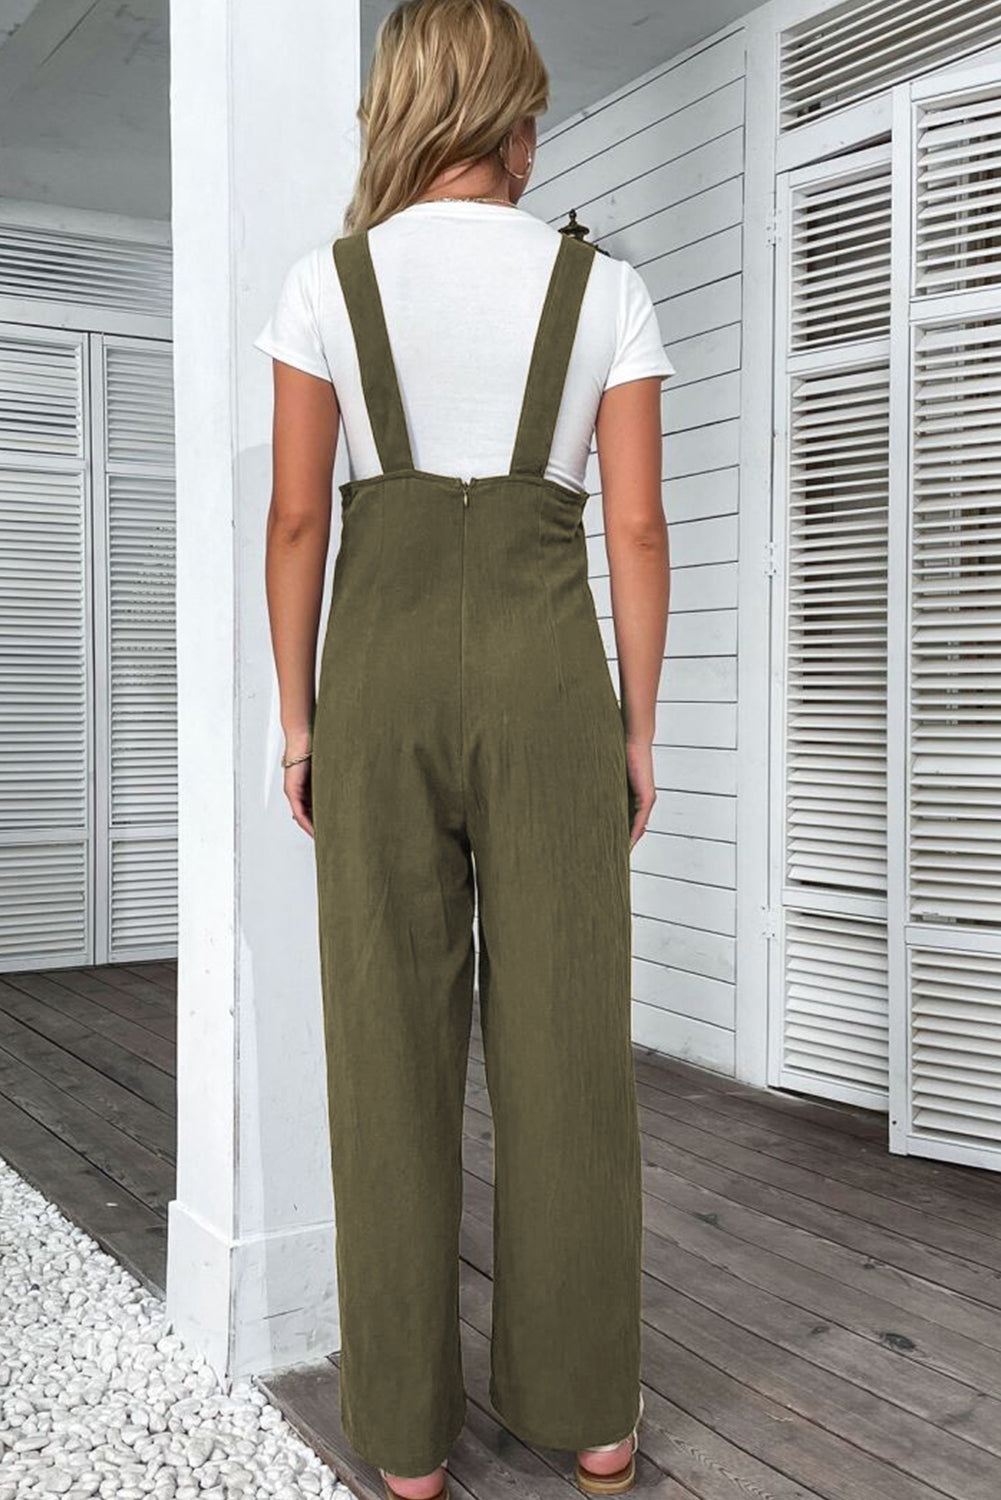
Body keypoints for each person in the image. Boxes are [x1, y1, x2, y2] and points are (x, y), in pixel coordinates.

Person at [254, 2, 672, 1496]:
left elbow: (295, 520)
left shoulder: (329, 283)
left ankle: (408, 1444)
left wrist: (297, 724)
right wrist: (635, 731)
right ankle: (594, 1415)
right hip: (550, 685)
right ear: (514, 122)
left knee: (388, 1052)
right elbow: (635, 530)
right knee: (569, 1051)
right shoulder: (604, 289)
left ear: (403, 112)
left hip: (377, 685)